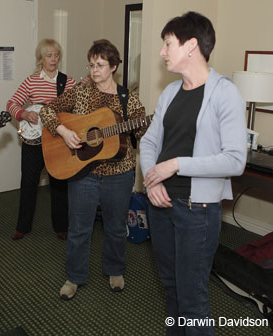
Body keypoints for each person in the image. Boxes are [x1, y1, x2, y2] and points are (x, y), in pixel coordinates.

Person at [139, 12, 247, 335]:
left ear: (191, 46)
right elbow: (148, 141)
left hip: (196, 212)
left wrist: (176, 164)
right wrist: (151, 179)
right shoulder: (171, 92)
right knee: (171, 292)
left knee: (192, 301)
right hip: (160, 206)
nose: (162, 52)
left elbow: (235, 160)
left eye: (167, 44)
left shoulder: (225, 93)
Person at [40, 39, 147, 300]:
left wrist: (140, 126)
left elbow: (143, 130)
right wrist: (64, 132)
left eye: (99, 65)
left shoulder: (127, 99)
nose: (94, 70)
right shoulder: (80, 93)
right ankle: (74, 277)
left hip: (119, 173)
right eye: (91, 65)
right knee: (79, 227)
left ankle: (115, 270)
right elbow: (47, 110)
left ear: (113, 67)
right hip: (84, 171)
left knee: (115, 225)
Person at [7, 38, 76, 241]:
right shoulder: (31, 81)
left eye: (56, 55)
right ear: (41, 59)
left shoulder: (68, 82)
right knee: (28, 183)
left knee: (59, 184)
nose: (53, 59)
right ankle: (23, 226)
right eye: (49, 55)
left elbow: (76, 108)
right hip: (33, 143)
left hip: (58, 140)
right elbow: (11, 103)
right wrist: (23, 114)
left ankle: (62, 226)